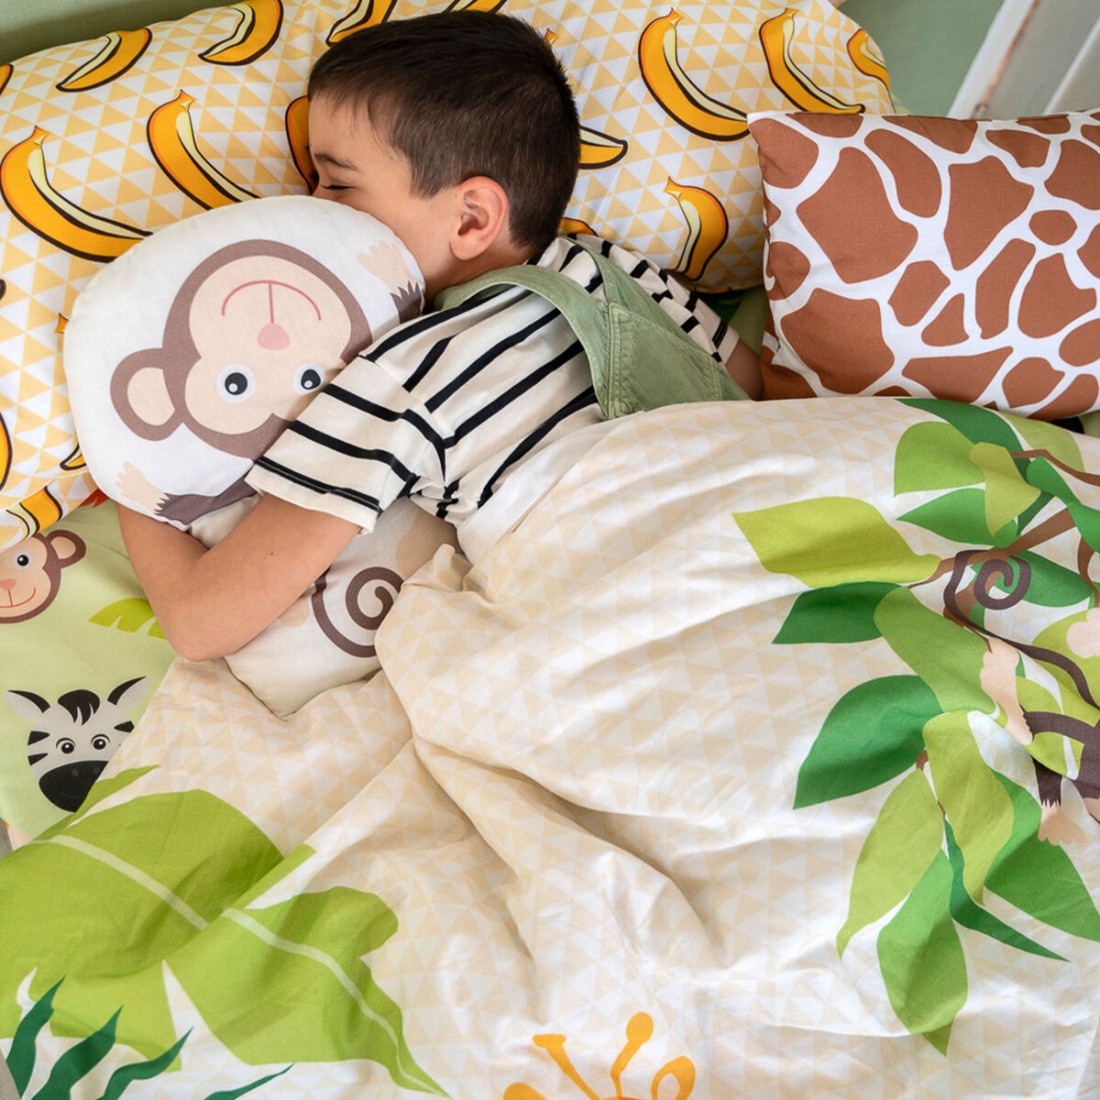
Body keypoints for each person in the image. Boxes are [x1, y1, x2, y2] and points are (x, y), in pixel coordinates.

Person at [118, 10, 762, 663]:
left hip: (623, 608)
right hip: (760, 526)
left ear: (472, 218)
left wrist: (130, 473)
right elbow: (759, 398)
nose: (307, 207)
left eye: (336, 183)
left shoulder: (401, 372)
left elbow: (201, 624)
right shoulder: (608, 266)